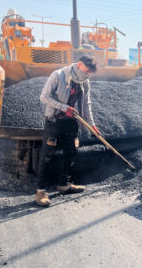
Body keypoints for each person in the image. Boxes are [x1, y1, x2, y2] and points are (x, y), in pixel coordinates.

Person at [35, 55, 100, 207]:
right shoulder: (58, 75)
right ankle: (40, 192)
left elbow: (86, 104)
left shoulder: (85, 82)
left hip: (71, 122)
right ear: (79, 65)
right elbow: (44, 97)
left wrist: (92, 124)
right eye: (87, 70)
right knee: (47, 156)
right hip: (54, 121)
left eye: (90, 72)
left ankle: (64, 184)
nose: (88, 74)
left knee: (71, 153)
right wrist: (65, 108)